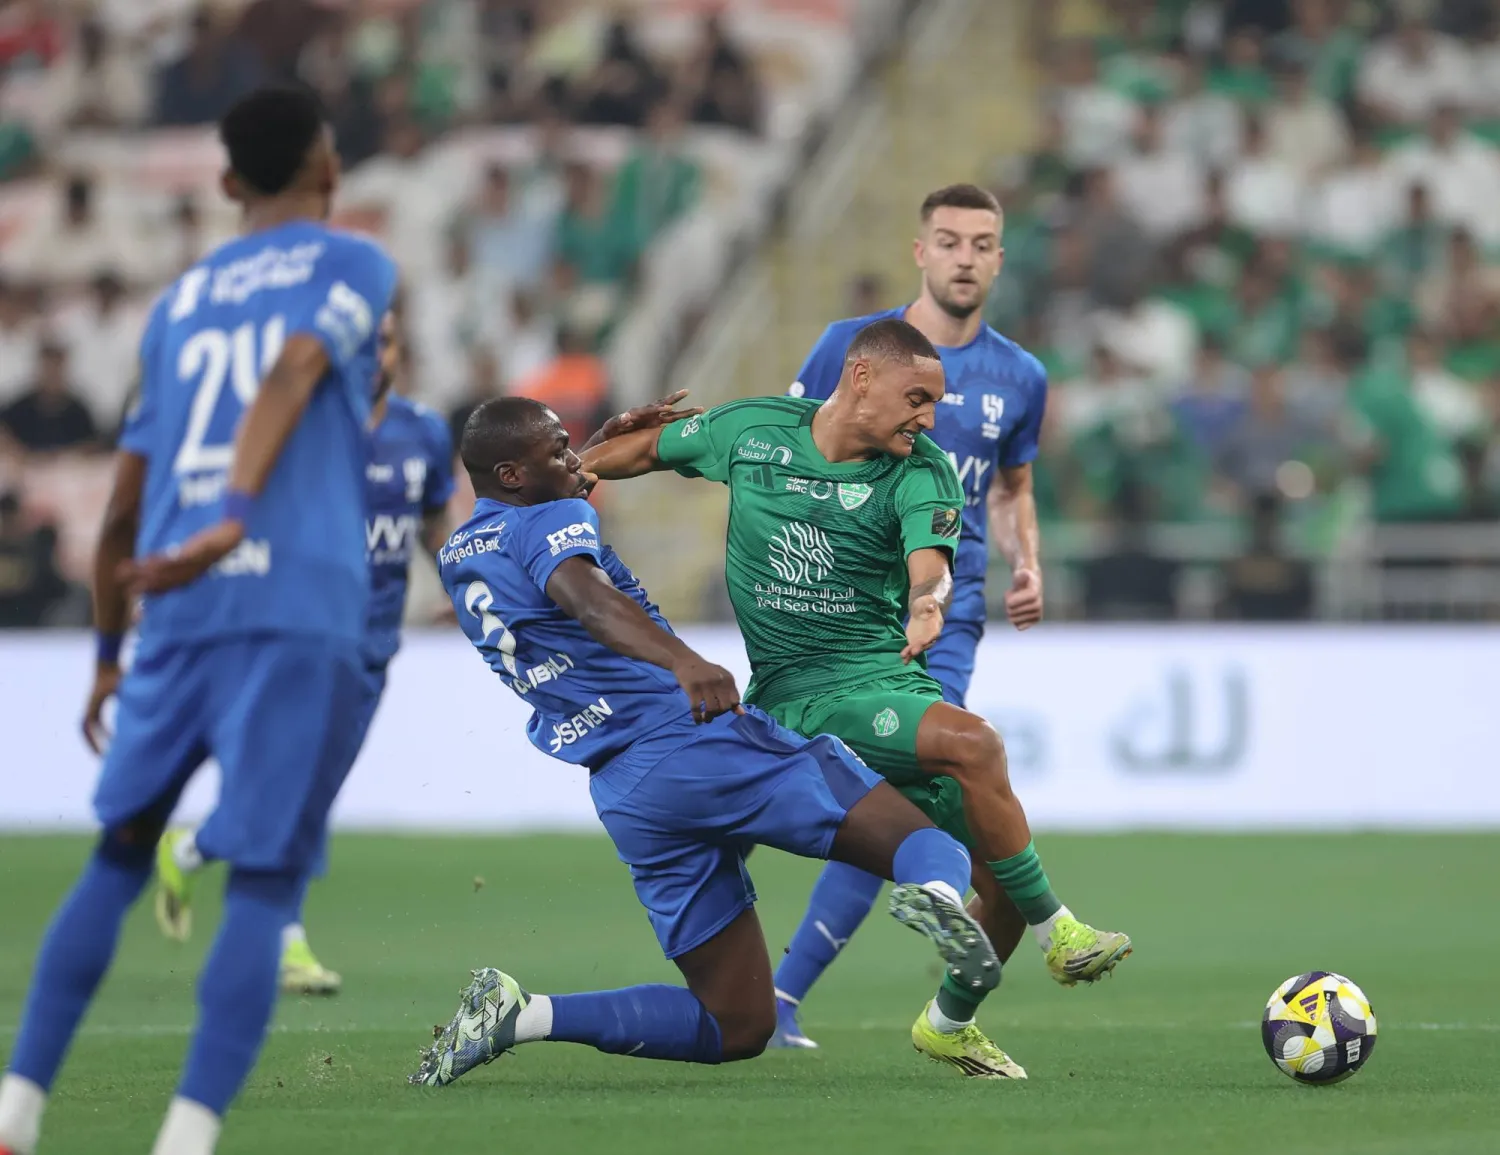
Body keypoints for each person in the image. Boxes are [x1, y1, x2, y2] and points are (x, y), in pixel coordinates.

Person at [0, 86, 397, 1155]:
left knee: (117, 855)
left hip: (175, 610)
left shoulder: (177, 307)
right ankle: (184, 1139)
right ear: (329, 169)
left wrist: (105, 653)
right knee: (264, 882)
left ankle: (15, 1112)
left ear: (224, 183)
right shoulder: (354, 263)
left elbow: (122, 505)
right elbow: (297, 366)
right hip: (295, 598)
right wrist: (235, 515)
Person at [582, 318, 1130, 1079]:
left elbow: (931, 564)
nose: (928, 419)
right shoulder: (753, 431)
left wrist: (928, 604)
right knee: (975, 744)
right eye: (917, 398)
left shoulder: (923, 470)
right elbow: (640, 451)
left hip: (883, 680)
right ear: (861, 377)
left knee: (1002, 879)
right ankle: (1060, 931)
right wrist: (571, 474)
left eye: (936, 404)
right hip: (797, 694)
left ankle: (949, 1023)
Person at [410, 396, 1001, 1086]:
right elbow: (587, 598)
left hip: (627, 791)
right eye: (558, 450)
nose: (574, 458)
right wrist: (683, 660)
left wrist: (585, 455)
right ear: (513, 473)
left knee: (736, 1022)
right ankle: (939, 896)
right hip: (688, 738)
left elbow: (540, 539)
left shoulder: (463, 550)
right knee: (926, 842)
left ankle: (521, 1015)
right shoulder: (550, 519)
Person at [775, 183, 1049, 1050]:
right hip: (842, 612)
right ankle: (796, 991)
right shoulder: (847, 347)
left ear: (999, 259)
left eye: (982, 243)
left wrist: (1027, 560)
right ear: (921, 252)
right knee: (865, 797)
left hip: (946, 618)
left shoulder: (1021, 376)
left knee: (891, 795)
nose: (966, 257)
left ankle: (789, 996)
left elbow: (1010, 487)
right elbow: (788, 448)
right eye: (950, 241)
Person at [150, 313, 455, 995]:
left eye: (384, 343)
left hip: (372, 649)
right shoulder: (299, 428)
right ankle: (282, 940)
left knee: (304, 795)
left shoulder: (424, 433)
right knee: (296, 791)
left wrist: (459, 584)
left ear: (399, 351)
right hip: (298, 636)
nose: (374, 356)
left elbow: (434, 523)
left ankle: (192, 849)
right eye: (361, 344)